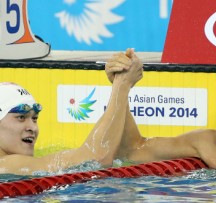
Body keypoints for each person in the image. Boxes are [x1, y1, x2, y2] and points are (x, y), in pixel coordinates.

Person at [0, 48, 143, 175]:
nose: (32, 127)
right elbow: (97, 159)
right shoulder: (5, 165)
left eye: (35, 118)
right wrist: (123, 84)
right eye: (21, 117)